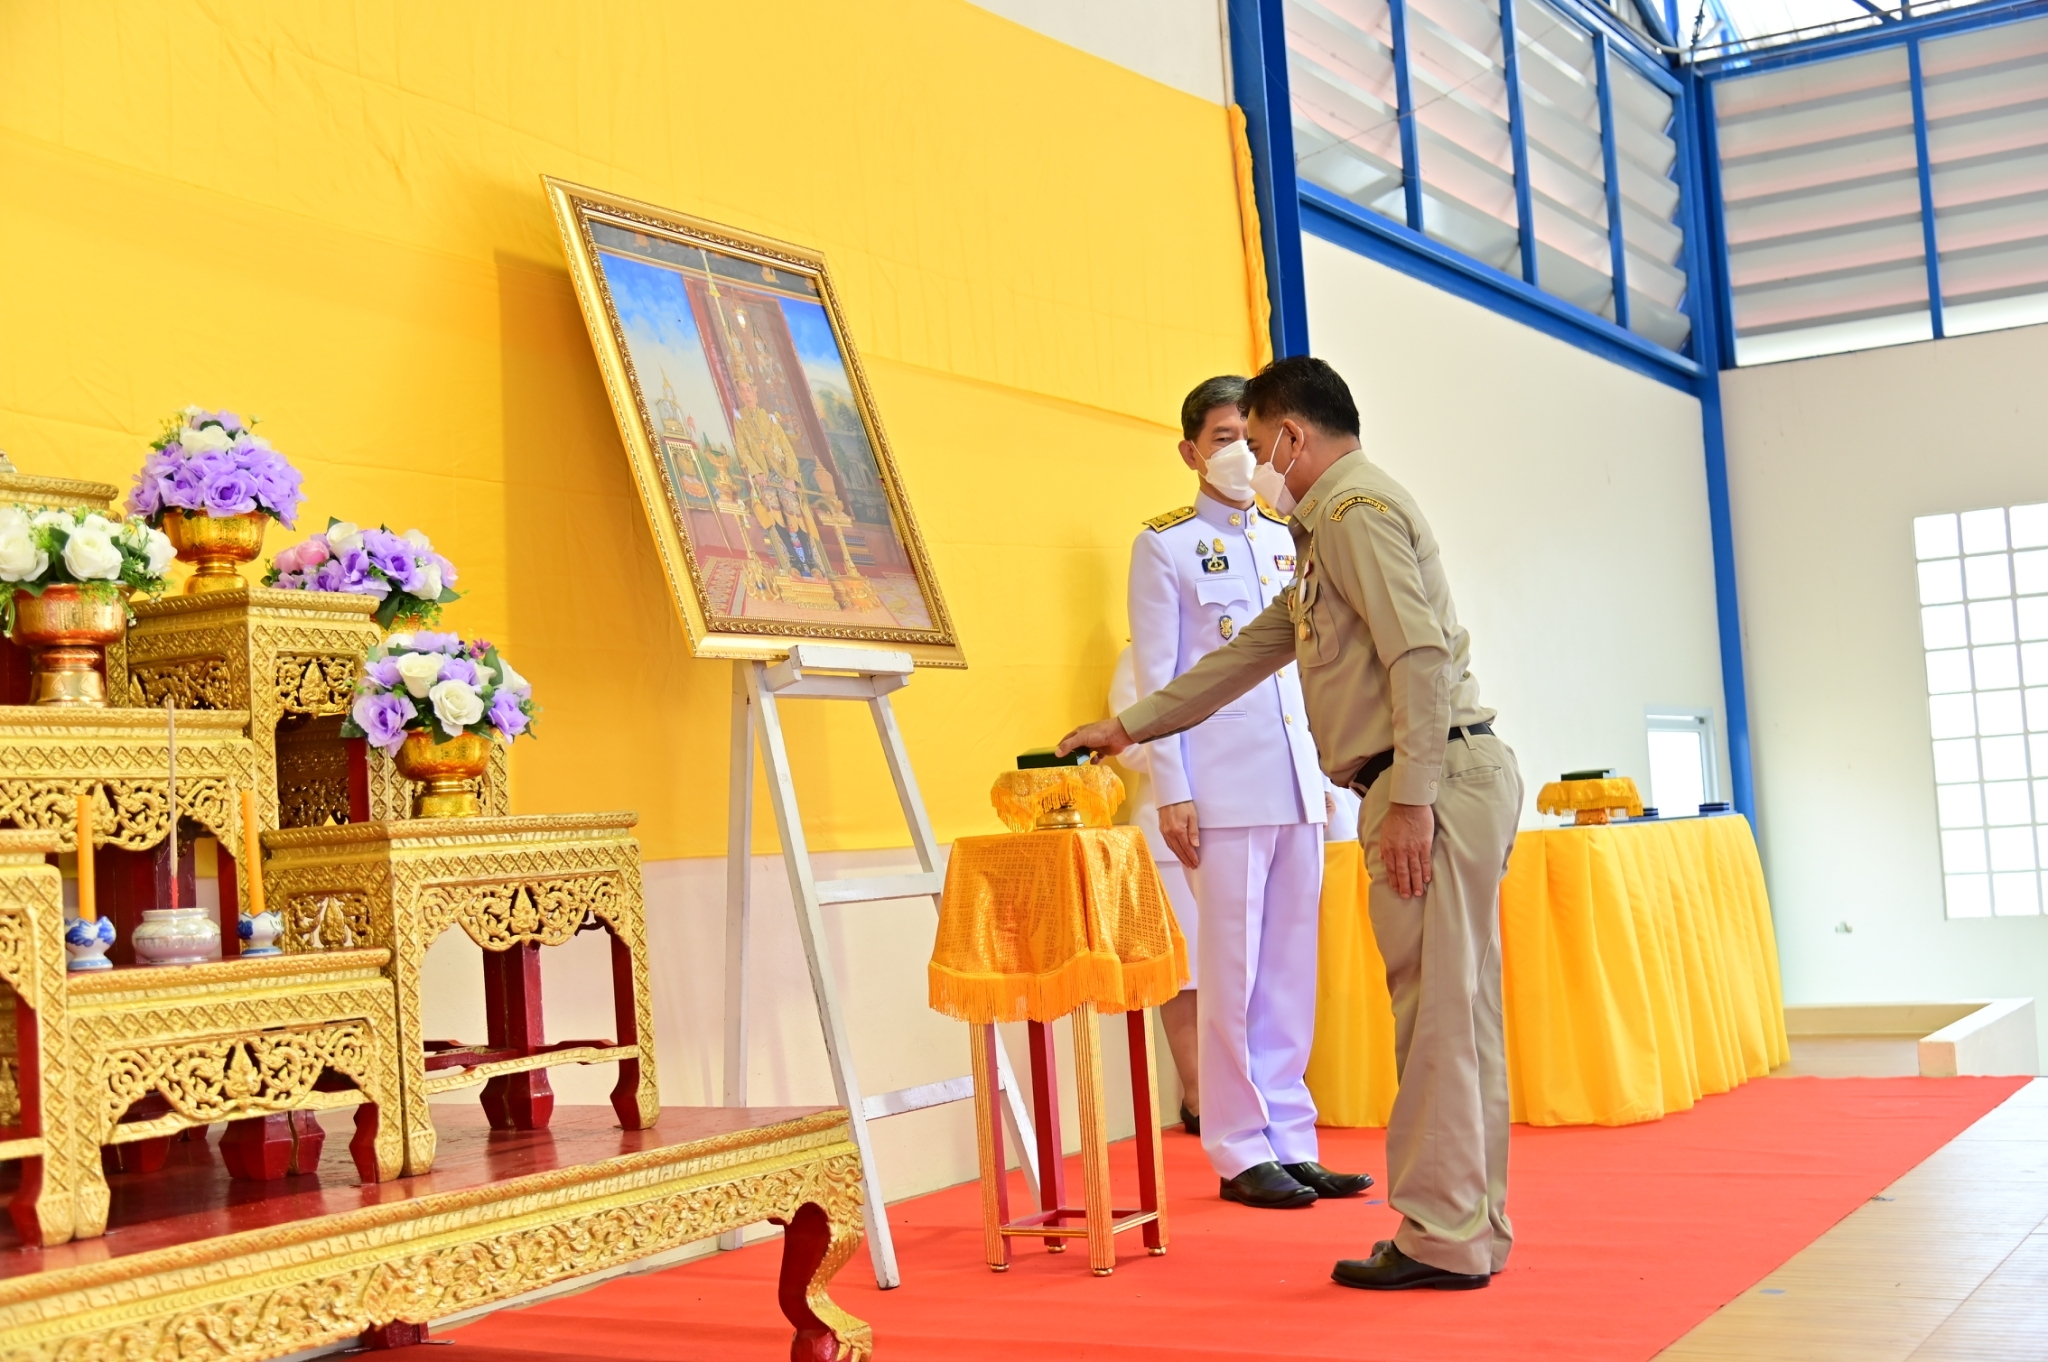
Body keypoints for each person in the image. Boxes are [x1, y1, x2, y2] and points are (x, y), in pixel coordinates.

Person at [1059, 356, 1523, 1291]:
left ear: (1292, 436)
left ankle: (1440, 1236)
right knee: (1458, 1019)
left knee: (1437, 1023)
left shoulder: (1348, 514)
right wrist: (1130, 728)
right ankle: (1468, 1228)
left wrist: (1414, 799)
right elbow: (1248, 653)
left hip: (1426, 781)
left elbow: (1420, 657)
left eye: (1260, 441)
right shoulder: (1320, 530)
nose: (1256, 462)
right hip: (1420, 777)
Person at [1117, 374, 1372, 1212]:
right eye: (1222, 437)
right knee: (1231, 975)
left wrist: (1326, 775)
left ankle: (1291, 1139)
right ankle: (1235, 1147)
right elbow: (1161, 680)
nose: (1237, 453)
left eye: (1246, 437)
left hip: (1297, 783)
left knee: (1290, 974)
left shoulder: (1289, 534)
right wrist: (1173, 790)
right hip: (1219, 789)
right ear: (1189, 451)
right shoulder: (1166, 546)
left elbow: (1305, 669)